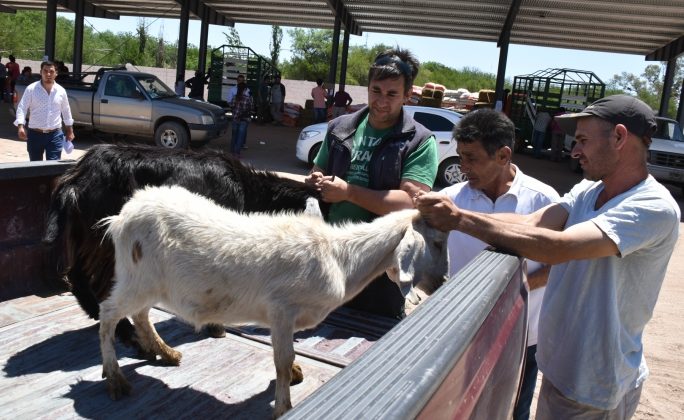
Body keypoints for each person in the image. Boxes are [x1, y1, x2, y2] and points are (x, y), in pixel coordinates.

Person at [415, 95, 681, 419]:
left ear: (619, 137)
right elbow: (533, 223)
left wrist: (460, 220)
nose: (574, 150)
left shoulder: (650, 206)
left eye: (582, 140)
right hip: (562, 368)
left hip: (595, 383)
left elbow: (558, 247)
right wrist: (456, 211)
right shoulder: (589, 190)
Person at [439, 108, 559, 420]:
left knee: (512, 410)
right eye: (460, 157)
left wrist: (509, 296)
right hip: (462, 334)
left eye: (472, 158)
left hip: (522, 339)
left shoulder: (544, 202)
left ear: (503, 155)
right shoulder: (450, 201)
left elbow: (561, 263)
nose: (463, 167)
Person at [304, 47, 439, 319]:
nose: (381, 101)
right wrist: (316, 180)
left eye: (392, 94)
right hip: (331, 253)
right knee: (320, 326)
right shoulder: (340, 127)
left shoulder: (419, 140)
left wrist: (349, 193)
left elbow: (410, 203)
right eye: (376, 91)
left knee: (370, 339)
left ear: (407, 95)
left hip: (381, 265)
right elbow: (318, 169)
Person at [14, 61, 75, 161]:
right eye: (45, 71)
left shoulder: (61, 91)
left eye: (51, 71)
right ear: (41, 72)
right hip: (35, 135)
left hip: (55, 135)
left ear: (56, 73)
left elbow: (66, 111)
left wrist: (70, 130)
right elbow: (22, 107)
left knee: (52, 168)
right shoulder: (31, 89)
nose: (48, 74)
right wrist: (20, 126)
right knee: (35, 167)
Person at [229, 80, 252, 159]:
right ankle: (237, 153)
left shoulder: (235, 97)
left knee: (234, 135)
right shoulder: (248, 98)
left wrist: (235, 113)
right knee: (240, 137)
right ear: (245, 89)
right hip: (243, 120)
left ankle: (232, 151)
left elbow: (231, 106)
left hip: (235, 119)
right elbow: (251, 108)